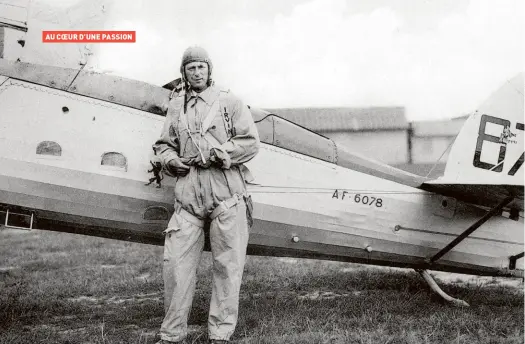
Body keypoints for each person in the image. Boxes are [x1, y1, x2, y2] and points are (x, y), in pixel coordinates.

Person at [153, 46, 260, 344]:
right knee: (175, 266)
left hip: (227, 193)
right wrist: (171, 160)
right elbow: (163, 145)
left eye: (201, 67)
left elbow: (250, 143)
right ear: (183, 73)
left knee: (227, 266)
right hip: (188, 197)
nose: (197, 72)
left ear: (209, 70)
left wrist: (222, 153)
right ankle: (172, 335)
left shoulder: (230, 102)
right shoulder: (176, 107)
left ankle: (220, 334)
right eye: (191, 68)